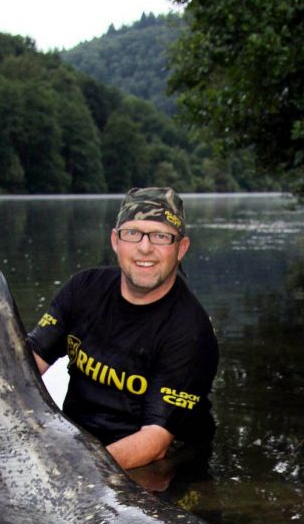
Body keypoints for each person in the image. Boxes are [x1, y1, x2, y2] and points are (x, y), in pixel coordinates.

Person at [28, 187, 219, 474]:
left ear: (181, 248)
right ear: (115, 241)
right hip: (82, 445)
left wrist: (75, 469)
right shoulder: (83, 290)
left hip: (162, 463)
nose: (145, 248)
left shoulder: (190, 332)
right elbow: (27, 364)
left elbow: (156, 441)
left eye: (161, 236)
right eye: (133, 233)